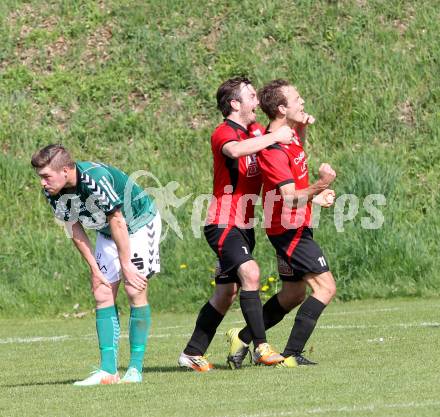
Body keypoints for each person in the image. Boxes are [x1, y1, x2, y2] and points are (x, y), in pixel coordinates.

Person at [178, 77, 295, 371]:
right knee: (251, 273)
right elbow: (235, 151)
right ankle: (261, 348)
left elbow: (279, 139)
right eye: (252, 96)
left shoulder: (254, 130)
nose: (257, 102)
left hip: (243, 224)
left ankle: (192, 353)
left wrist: (298, 121)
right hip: (222, 223)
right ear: (235, 104)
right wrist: (272, 138)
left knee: (225, 294)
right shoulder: (223, 132)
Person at [226, 79, 337, 368]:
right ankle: (291, 354)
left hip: (293, 224)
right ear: (281, 108)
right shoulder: (273, 150)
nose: (303, 102)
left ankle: (242, 336)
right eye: (297, 99)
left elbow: (297, 167)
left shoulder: (288, 136)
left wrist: (315, 194)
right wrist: (321, 184)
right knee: (325, 289)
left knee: (292, 294)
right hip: (289, 229)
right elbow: (289, 197)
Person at [31, 144, 161, 385]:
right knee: (101, 290)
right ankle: (108, 371)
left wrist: (126, 265)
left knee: (134, 288)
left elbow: (118, 219)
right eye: (40, 177)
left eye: (46, 176)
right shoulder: (53, 191)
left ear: (66, 170)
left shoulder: (95, 179)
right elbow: (73, 227)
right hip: (108, 230)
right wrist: (94, 268)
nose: (43, 182)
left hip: (139, 224)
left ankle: (135, 369)